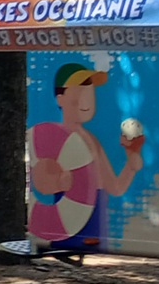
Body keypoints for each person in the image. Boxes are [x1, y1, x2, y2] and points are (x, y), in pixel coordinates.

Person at [27, 63, 144, 248]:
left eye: (89, 95)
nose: (85, 102)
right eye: (78, 95)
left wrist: (131, 166)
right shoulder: (52, 139)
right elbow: (41, 184)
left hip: (95, 223)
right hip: (67, 223)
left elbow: (114, 187)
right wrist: (58, 182)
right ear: (60, 99)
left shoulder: (92, 141)